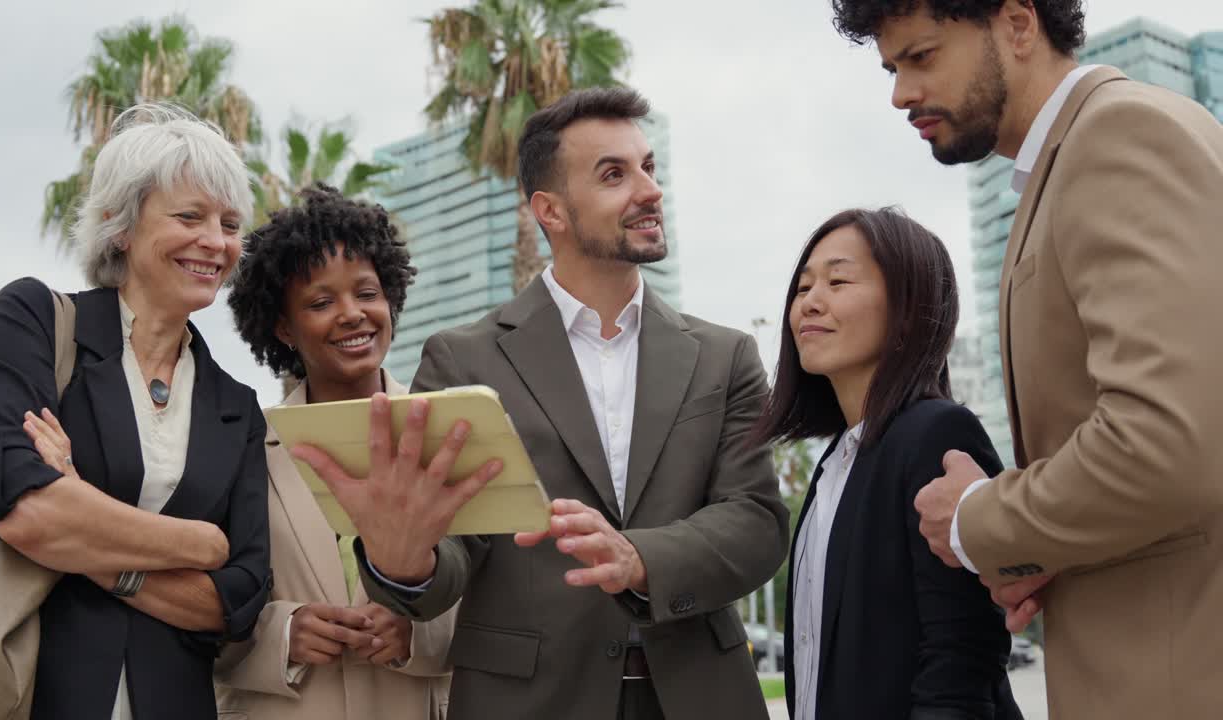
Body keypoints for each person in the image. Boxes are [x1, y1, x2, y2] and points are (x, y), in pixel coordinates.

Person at [291, 87, 789, 720]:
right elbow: (450, 560)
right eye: (615, 174)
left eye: (649, 167)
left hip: (701, 696)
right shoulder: (462, 359)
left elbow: (757, 522)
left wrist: (640, 559)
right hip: (527, 701)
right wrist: (402, 558)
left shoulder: (726, 355)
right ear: (549, 211)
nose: (649, 190)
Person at [830, 0, 1223, 716]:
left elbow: (1168, 445)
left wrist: (978, 520)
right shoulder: (1065, 167)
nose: (899, 94)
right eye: (891, 69)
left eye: (921, 57)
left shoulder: (1118, 137)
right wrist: (1042, 547)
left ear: (1017, 24)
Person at [0, 103, 271, 719]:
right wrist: (200, 543)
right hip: (26, 695)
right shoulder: (36, 323)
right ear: (119, 224)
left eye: (230, 223)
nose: (216, 240)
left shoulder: (238, 406)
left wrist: (86, 527)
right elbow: (26, 514)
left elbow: (238, 600)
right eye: (190, 216)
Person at [753, 208, 1020, 720]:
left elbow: (962, 655)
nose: (810, 302)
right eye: (803, 287)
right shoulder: (836, 461)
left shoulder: (936, 434)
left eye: (838, 280)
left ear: (908, 310)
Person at [216, 184, 455, 720]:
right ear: (283, 327)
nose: (352, 314)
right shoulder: (244, 450)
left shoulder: (450, 434)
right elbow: (200, 613)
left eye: (367, 293)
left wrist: (418, 632)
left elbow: (502, 605)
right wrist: (282, 634)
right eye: (321, 302)